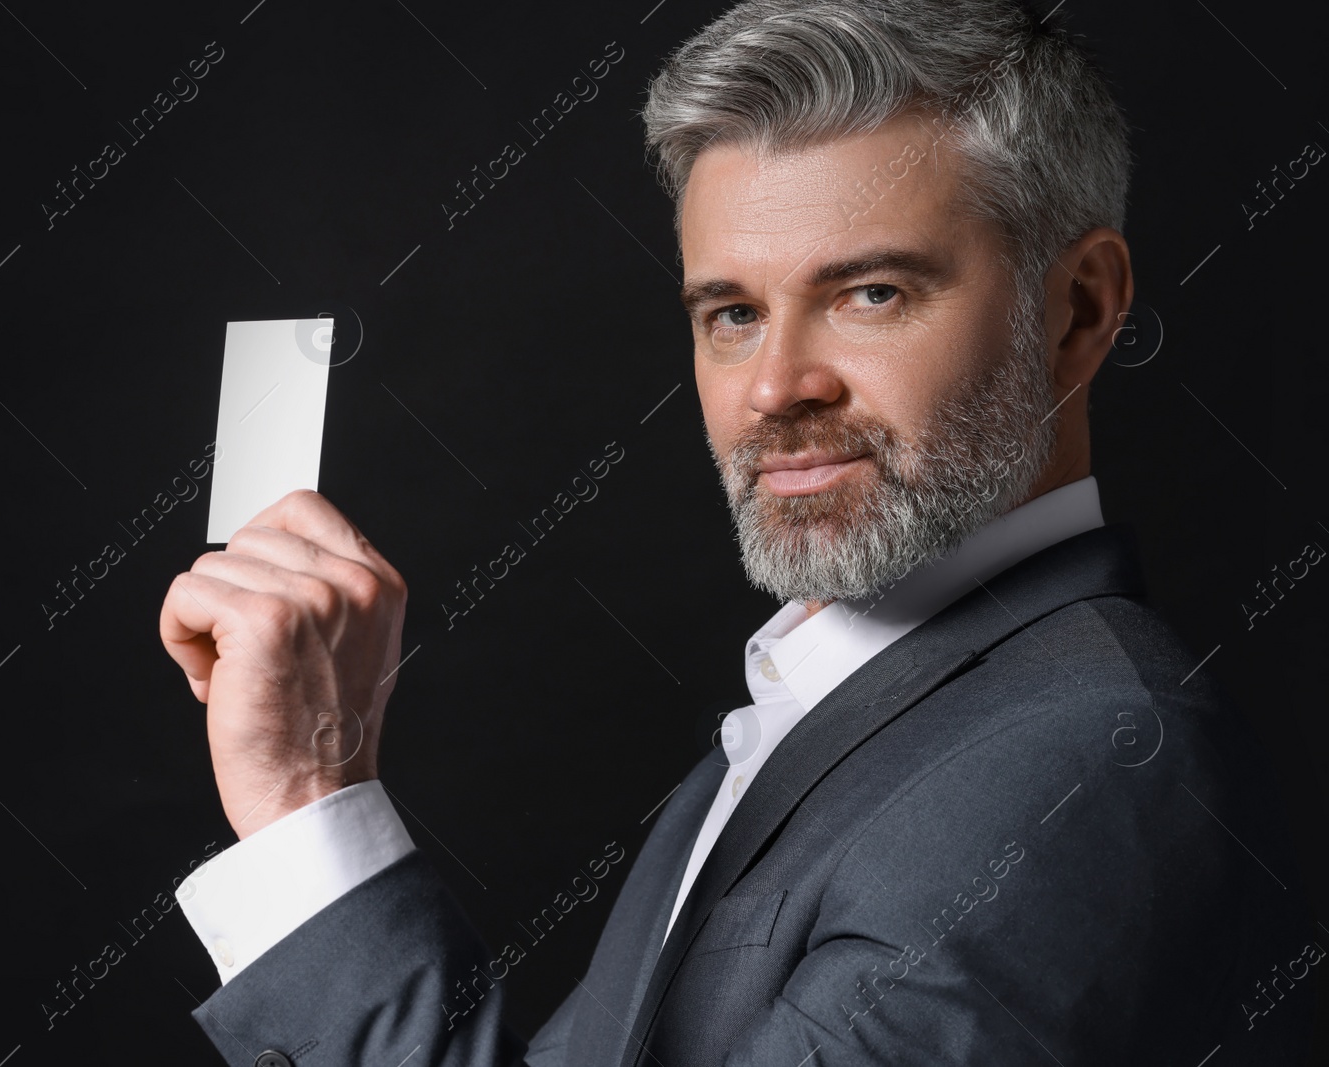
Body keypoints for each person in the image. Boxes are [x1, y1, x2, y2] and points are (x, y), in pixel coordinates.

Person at [157, 1, 1316, 1063]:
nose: (774, 387)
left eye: (871, 293)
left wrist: (312, 799)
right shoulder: (835, 700)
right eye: (732, 312)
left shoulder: (1089, 762)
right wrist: (308, 792)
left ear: (1078, 310)